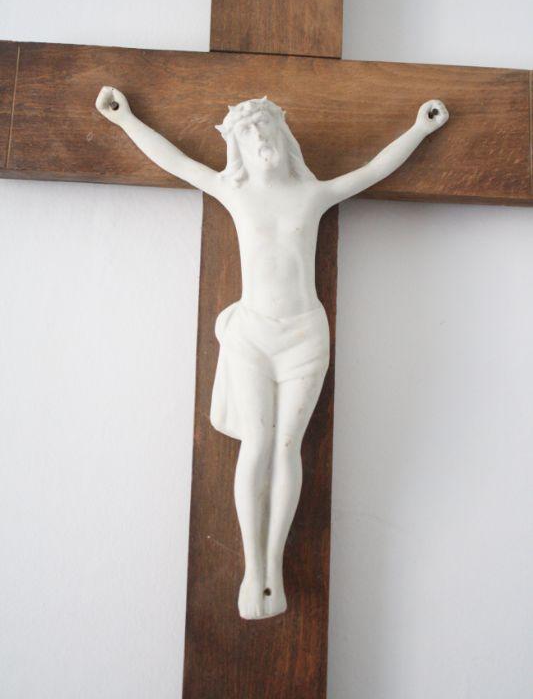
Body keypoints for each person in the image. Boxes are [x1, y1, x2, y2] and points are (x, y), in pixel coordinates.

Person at [96, 89, 448, 619]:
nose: (259, 136)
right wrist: (125, 120)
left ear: (284, 135)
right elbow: (176, 161)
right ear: (236, 145)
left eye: (265, 126)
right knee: (257, 443)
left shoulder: (312, 195)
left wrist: (420, 129)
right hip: (253, 336)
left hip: (304, 337)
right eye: (247, 130)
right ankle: (252, 570)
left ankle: (273, 570)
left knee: (286, 446)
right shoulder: (234, 191)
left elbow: (375, 169)